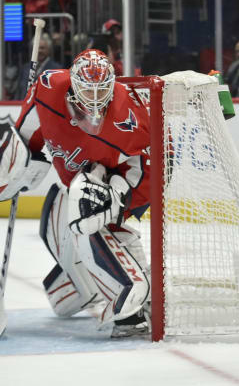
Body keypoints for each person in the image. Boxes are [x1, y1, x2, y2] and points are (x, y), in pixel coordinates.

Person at [1, 49, 152, 337]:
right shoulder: (48, 88)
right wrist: (14, 162)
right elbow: (26, 137)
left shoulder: (131, 114)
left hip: (102, 186)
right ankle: (90, 289)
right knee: (64, 300)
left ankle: (132, 303)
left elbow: (145, 168)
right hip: (67, 185)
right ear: (72, 83)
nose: (95, 98)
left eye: (102, 90)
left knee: (87, 215)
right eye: (87, 89)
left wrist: (117, 195)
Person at [13, 33, 62, 100]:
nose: (39, 51)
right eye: (37, 48)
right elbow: (18, 92)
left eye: (42, 48)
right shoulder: (25, 68)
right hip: (25, 107)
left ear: (49, 49)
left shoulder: (57, 69)